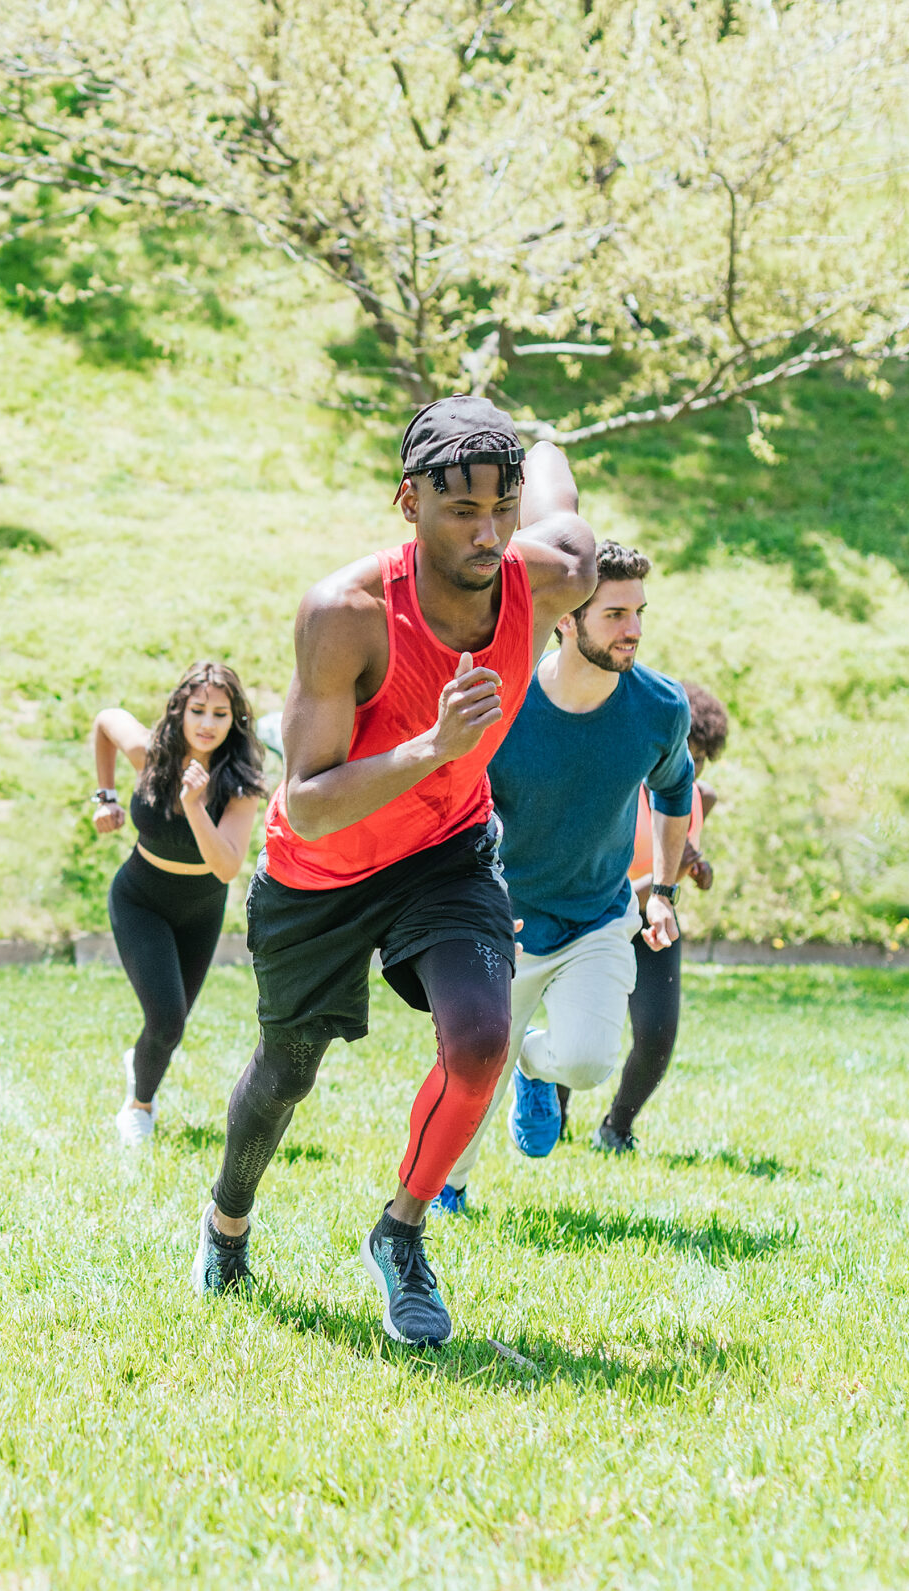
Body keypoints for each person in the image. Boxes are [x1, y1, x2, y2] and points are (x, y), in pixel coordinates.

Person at [192, 395, 597, 1350]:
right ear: (406, 502)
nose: (490, 532)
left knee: (480, 1040)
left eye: (502, 506)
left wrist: (533, 445)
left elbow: (565, 506)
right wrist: (431, 745)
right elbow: (312, 797)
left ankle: (402, 1231)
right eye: (463, 511)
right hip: (323, 869)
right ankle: (227, 1221)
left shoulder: (548, 576)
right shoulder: (347, 614)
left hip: (445, 849)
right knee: (287, 1073)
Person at [431, 542, 694, 1214]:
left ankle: (534, 1066)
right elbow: (447, 799)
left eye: (638, 612)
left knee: (585, 1060)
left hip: (599, 917)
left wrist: (661, 889)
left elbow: (674, 790)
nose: (633, 628)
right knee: (470, 1074)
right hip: (503, 921)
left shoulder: (659, 707)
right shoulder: (506, 702)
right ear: (566, 621)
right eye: (614, 614)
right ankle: (448, 1189)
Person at [88, 663, 268, 1143]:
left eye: (220, 713)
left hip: (201, 909)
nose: (207, 724)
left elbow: (227, 867)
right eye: (198, 710)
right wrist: (104, 797)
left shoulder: (241, 782)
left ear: (235, 721)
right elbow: (107, 719)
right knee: (166, 1021)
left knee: (171, 1027)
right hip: (140, 900)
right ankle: (138, 1107)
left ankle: (141, 1063)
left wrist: (195, 806)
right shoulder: (152, 757)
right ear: (180, 710)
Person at [571, 680, 730, 1152]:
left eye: (701, 759)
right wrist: (667, 875)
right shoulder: (619, 789)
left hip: (656, 925)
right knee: (583, 1029)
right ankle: (552, 1114)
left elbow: (685, 854)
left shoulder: (702, 797)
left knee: (658, 1036)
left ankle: (617, 1127)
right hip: (601, 920)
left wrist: (698, 869)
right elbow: (606, 885)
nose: (691, 767)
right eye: (686, 752)